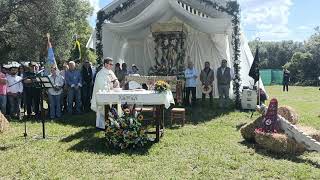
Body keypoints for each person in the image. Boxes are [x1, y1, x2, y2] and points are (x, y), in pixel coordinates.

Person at [91, 58, 120, 129]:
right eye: (110, 64)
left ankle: (113, 123)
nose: (112, 66)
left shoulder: (110, 72)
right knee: (103, 110)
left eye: (112, 64)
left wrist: (116, 81)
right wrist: (111, 86)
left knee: (114, 108)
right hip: (103, 96)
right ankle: (102, 125)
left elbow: (115, 80)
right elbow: (102, 87)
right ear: (105, 64)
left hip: (112, 95)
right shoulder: (101, 74)